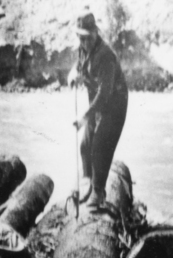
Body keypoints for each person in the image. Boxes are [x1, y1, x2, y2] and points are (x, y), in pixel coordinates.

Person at [69, 11, 128, 209]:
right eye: (80, 37)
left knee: (99, 147)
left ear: (95, 33)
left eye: (86, 38)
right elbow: (79, 67)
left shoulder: (106, 57)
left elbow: (104, 95)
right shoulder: (83, 48)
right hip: (97, 104)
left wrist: (84, 118)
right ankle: (87, 184)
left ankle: (99, 193)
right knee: (85, 145)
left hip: (115, 105)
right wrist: (73, 75)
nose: (82, 42)